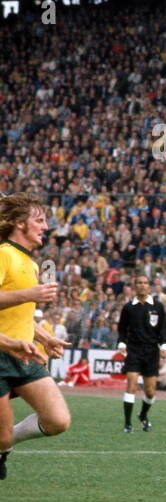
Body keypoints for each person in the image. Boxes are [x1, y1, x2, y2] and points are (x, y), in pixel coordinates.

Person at [0, 193, 73, 480]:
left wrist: (44, 337)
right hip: (3, 352)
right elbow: (20, 299)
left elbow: (21, 312)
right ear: (19, 223)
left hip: (25, 353)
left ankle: (3, 447)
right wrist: (29, 294)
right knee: (2, 436)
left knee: (58, 421)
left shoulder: (30, 263)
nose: (45, 226)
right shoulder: (4, 253)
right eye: (39, 220)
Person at [117, 273, 166, 433]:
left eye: (145, 283)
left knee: (150, 391)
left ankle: (143, 415)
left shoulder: (157, 306)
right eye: (139, 282)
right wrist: (122, 342)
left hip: (152, 351)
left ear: (149, 286)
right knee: (131, 385)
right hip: (134, 350)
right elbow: (122, 329)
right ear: (135, 286)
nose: (142, 285)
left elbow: (163, 329)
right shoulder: (128, 307)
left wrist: (165, 345)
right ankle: (127, 424)